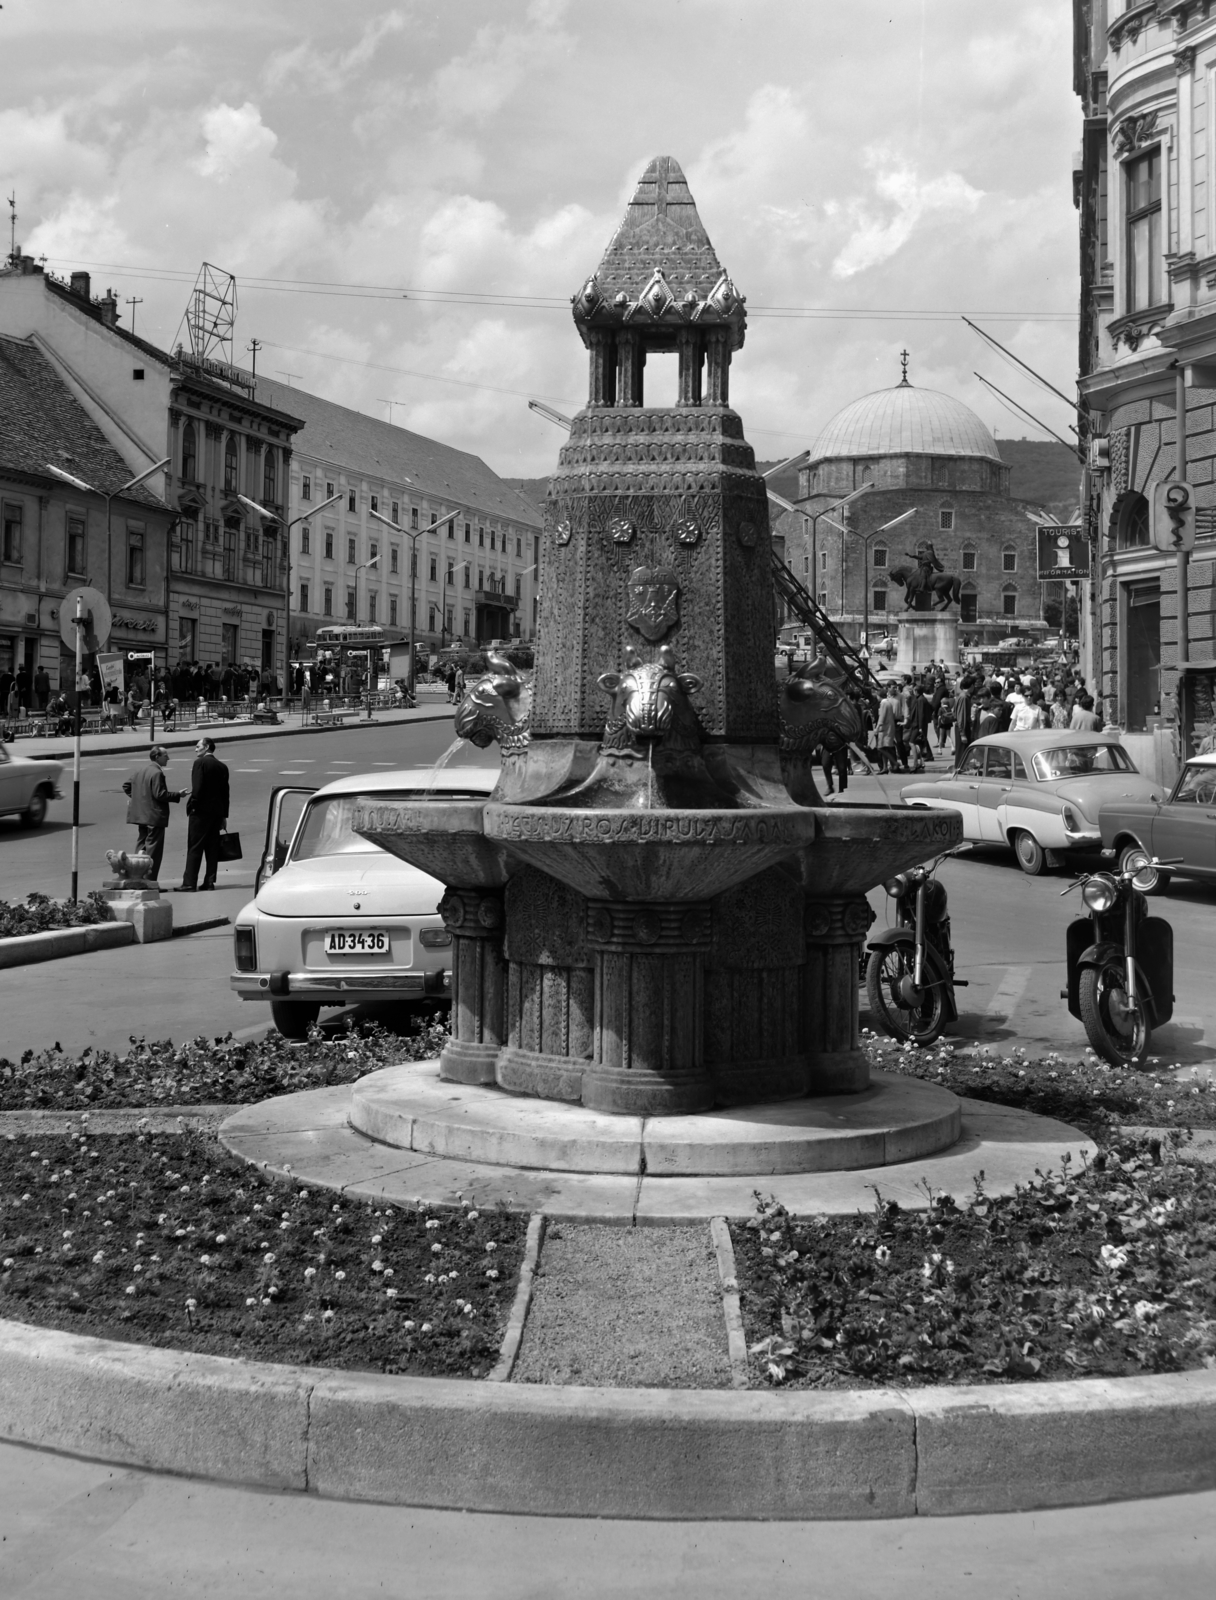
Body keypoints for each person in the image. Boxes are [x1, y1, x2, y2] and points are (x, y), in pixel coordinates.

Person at [122, 746, 183, 884]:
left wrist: (140, 799)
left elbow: (126, 786)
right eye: (165, 755)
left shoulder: (140, 770)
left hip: (141, 816)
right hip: (154, 817)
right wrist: (178, 795)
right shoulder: (157, 773)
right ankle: (149, 881)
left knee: (141, 847)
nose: (168, 758)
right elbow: (160, 794)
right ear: (157, 757)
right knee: (153, 851)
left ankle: (135, 876)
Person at [177, 736, 230, 892]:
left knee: (195, 847)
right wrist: (223, 816)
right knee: (212, 848)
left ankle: (189, 883)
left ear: (206, 747)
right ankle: (209, 881)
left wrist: (193, 805)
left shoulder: (199, 763)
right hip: (216, 813)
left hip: (200, 812)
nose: (195, 749)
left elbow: (197, 789)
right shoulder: (222, 766)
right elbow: (225, 793)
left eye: (198, 746)